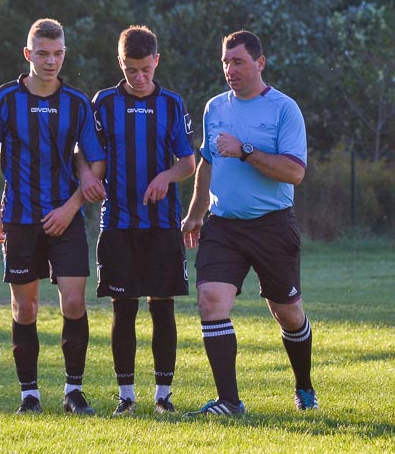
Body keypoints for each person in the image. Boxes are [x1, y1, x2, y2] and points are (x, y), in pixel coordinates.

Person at [181, 30, 317, 415]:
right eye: (225, 61)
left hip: (273, 225)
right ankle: (229, 402)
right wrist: (195, 214)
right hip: (223, 226)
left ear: (260, 63)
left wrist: (245, 150)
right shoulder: (214, 108)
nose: (229, 69)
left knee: (288, 313)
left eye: (237, 61)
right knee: (210, 301)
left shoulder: (284, 109)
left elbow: (294, 172)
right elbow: (207, 161)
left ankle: (304, 386)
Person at [0, 18, 106, 416]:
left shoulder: (79, 103)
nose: (51, 61)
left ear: (64, 54)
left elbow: (96, 164)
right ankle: (29, 396)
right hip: (19, 218)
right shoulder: (4, 98)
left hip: (65, 220)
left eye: (58, 54)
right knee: (26, 309)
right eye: (43, 54)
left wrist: (70, 208)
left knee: (74, 303)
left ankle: (73, 392)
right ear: (28, 54)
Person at [91, 25, 196, 416]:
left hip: (162, 223)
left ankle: (163, 396)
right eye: (131, 69)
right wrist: (86, 176)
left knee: (162, 307)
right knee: (123, 308)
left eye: (145, 70)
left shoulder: (172, 103)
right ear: (121, 62)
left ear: (157, 61)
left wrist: (166, 177)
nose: (138, 78)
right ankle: (127, 396)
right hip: (117, 222)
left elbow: (188, 163)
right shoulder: (101, 102)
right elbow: (86, 155)